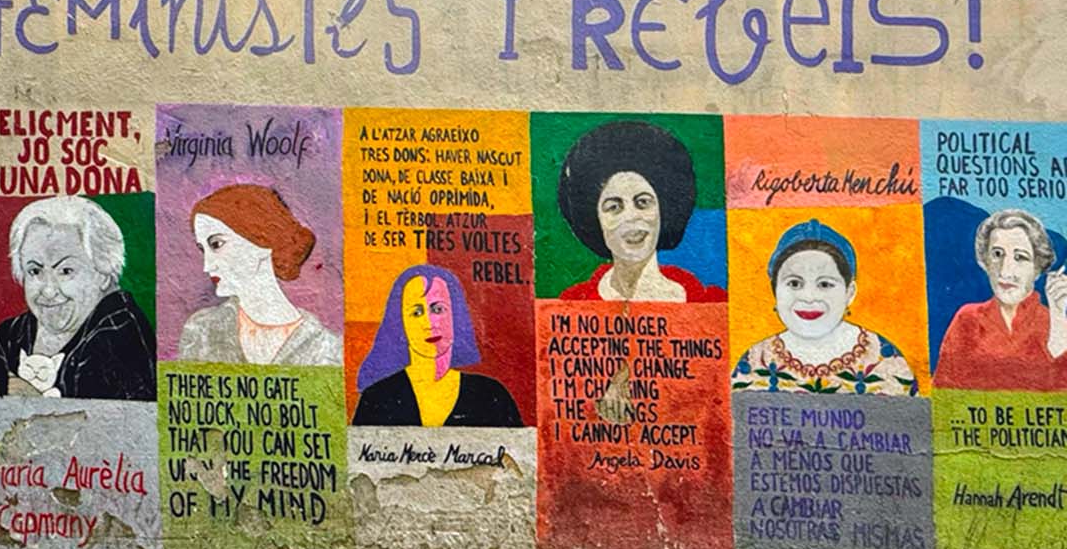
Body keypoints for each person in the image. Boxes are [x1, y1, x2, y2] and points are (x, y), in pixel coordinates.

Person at [0, 195, 156, 399]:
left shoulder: (119, 335)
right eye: (35, 271)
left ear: (103, 275)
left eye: (66, 271)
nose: (48, 290)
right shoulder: (9, 335)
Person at [732, 219, 917, 395]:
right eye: (794, 283)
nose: (809, 297)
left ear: (849, 292)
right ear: (775, 290)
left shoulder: (884, 359)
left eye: (825, 284)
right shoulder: (754, 361)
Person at [557, 121, 724, 302]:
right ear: (595, 219)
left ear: (663, 210)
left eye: (643, 202)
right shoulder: (572, 302)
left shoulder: (710, 302)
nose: (631, 217)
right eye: (614, 207)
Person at [179, 184, 341, 365]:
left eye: (217, 244)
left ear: (263, 240)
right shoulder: (201, 330)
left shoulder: (326, 348)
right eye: (203, 249)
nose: (208, 266)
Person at [353, 265, 522, 427]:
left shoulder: (491, 395)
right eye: (417, 313)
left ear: (456, 316)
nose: (430, 323)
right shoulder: (376, 398)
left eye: (438, 309)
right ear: (400, 323)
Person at [934, 208, 1067, 391]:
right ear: (985, 262)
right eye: (997, 254)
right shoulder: (968, 319)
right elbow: (944, 392)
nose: (1005, 271)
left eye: (1020, 257)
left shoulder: (1055, 324)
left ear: (1037, 268)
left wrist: (1058, 320)